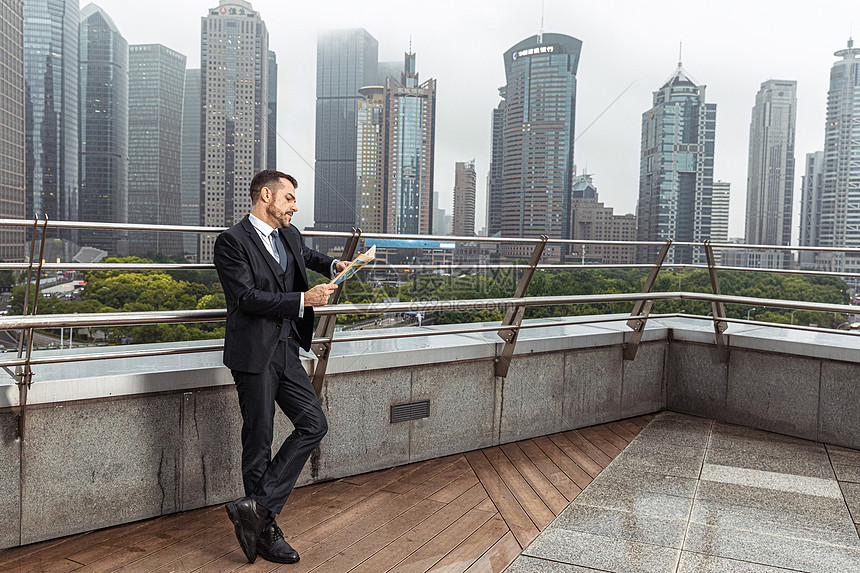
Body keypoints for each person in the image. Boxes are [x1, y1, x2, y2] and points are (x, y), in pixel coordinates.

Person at [213, 169, 348, 564]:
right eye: (289, 198)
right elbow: (247, 298)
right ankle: (267, 528)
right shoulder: (231, 242)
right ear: (266, 196)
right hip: (253, 353)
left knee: (314, 423)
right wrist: (304, 300)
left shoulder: (289, 233)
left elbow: (306, 256)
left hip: (287, 350)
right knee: (259, 440)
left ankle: (255, 508)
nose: (294, 205)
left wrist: (336, 263)